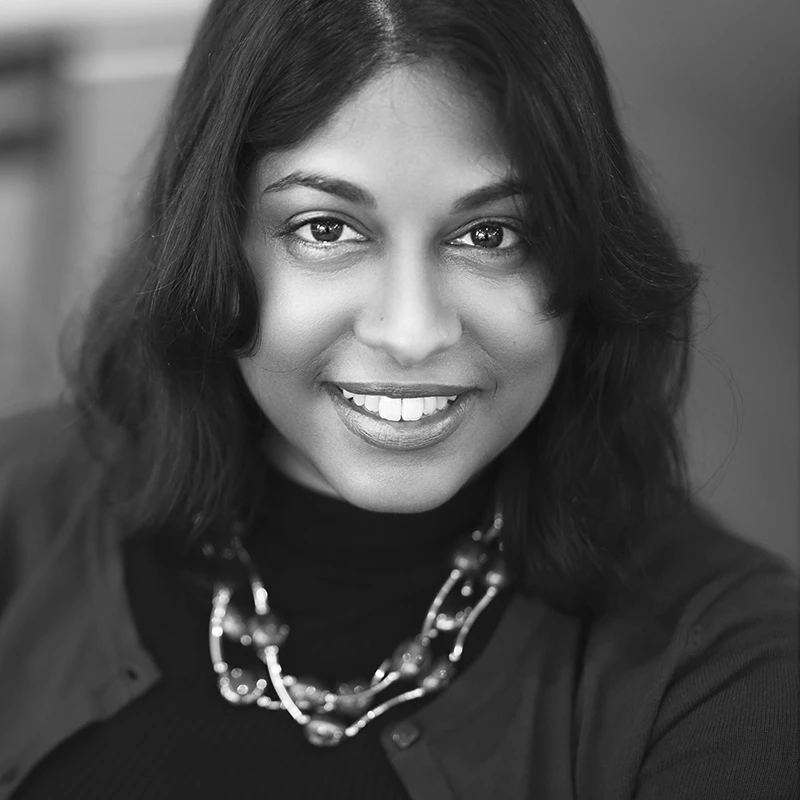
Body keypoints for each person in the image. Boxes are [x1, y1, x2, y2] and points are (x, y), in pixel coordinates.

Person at [0, 0, 797, 797]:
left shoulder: (725, 671)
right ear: (214, 239)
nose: (411, 332)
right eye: (326, 229)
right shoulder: (20, 513)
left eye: (491, 235)